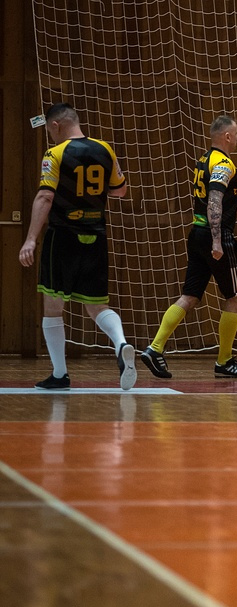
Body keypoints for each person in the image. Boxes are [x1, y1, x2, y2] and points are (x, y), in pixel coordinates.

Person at [18, 103, 136, 391]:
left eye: (49, 130)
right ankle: (121, 343)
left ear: (56, 125)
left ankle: (60, 374)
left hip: (64, 237)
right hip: (96, 236)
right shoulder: (105, 149)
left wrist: (31, 238)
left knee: (53, 306)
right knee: (97, 305)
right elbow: (120, 190)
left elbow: (45, 197)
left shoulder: (55, 154)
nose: (50, 136)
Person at [140, 115, 237, 379]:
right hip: (216, 235)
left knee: (190, 295)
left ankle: (155, 348)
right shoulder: (223, 163)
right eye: (236, 133)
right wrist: (217, 240)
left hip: (197, 233)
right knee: (236, 297)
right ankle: (224, 361)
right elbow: (214, 199)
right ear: (227, 136)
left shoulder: (203, 160)